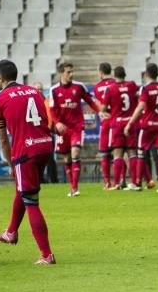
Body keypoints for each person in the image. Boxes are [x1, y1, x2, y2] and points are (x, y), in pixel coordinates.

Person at [0, 60, 57, 265]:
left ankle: (47, 255)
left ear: (0, 77)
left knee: (31, 200)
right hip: (45, 145)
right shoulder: (34, 91)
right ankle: (11, 231)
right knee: (24, 189)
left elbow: (2, 139)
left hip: (25, 151)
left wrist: (11, 162)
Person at [49, 62, 101, 197]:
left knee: (75, 153)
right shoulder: (54, 90)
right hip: (62, 129)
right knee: (66, 158)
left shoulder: (79, 87)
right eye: (68, 72)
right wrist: (57, 122)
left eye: (72, 71)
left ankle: (75, 187)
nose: (71, 74)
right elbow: (52, 110)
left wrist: (99, 112)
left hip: (77, 127)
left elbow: (90, 100)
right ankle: (72, 188)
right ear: (62, 73)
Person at [125, 62, 158, 192]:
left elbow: (140, 106)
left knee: (141, 153)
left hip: (147, 126)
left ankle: (137, 183)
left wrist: (130, 123)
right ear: (157, 73)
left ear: (146, 74)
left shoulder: (145, 89)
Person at [102, 66, 137, 189]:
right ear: (125, 74)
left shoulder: (110, 88)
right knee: (132, 153)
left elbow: (104, 108)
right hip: (130, 123)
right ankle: (134, 182)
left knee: (117, 154)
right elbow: (138, 95)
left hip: (117, 124)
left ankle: (116, 183)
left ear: (114, 75)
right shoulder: (132, 85)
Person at [93, 62, 115, 190]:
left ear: (101, 72)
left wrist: (101, 112)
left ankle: (107, 183)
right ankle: (119, 180)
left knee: (104, 154)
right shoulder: (116, 84)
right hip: (117, 121)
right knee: (119, 152)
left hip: (106, 123)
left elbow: (98, 104)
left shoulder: (97, 87)